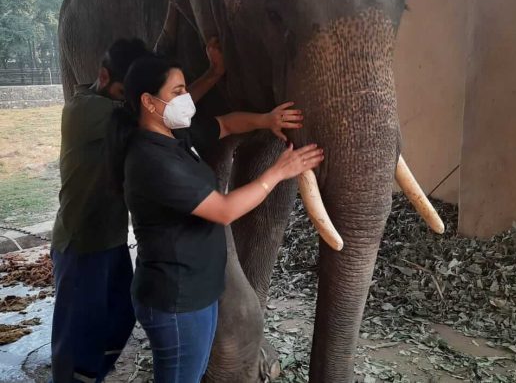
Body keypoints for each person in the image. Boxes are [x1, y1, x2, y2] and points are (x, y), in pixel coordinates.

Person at [107, 54, 323, 383]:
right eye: (178, 92)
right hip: (176, 299)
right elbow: (224, 210)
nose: (186, 100)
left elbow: (227, 124)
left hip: (197, 291)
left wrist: (267, 119)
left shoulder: (173, 136)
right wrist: (279, 172)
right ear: (149, 102)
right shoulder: (151, 159)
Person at [50, 37, 225, 383]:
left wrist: (212, 74)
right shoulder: (85, 110)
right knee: (77, 332)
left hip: (110, 238)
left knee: (116, 322)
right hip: (80, 242)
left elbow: (161, 104)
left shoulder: (120, 111)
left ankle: (91, 376)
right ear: (103, 77)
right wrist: (211, 76)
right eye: (123, 92)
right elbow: (153, 108)